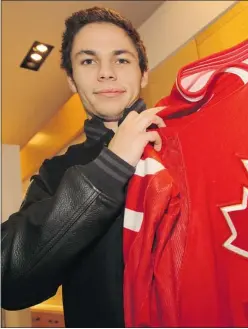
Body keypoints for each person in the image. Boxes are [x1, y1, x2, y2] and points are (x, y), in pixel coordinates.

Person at [1, 6, 165, 327]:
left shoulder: (189, 142)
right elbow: (9, 280)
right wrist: (109, 170)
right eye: (88, 61)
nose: (106, 72)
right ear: (72, 80)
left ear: (144, 72)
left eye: (121, 59)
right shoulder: (55, 172)